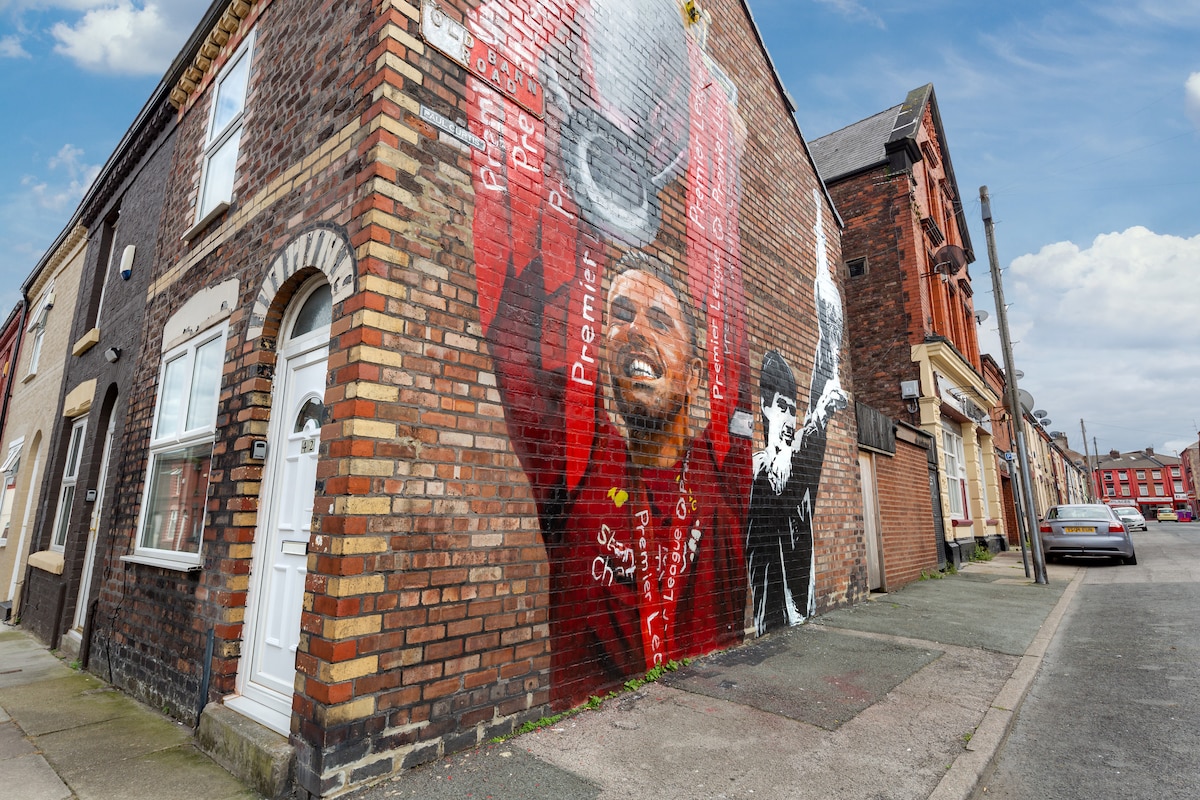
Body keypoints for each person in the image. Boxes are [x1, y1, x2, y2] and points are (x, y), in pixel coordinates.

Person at [487, 251, 746, 706]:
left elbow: (735, 357)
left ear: (695, 376)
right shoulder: (578, 464)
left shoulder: (720, 479)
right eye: (620, 315)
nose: (635, 330)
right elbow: (513, 341)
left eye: (660, 321)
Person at [745, 193, 847, 635]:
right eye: (782, 408)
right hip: (770, 626)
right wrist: (816, 415)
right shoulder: (758, 472)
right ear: (765, 407)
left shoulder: (800, 463)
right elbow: (774, 486)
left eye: (794, 409)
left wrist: (828, 329)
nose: (790, 418)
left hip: (801, 617)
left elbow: (825, 366)